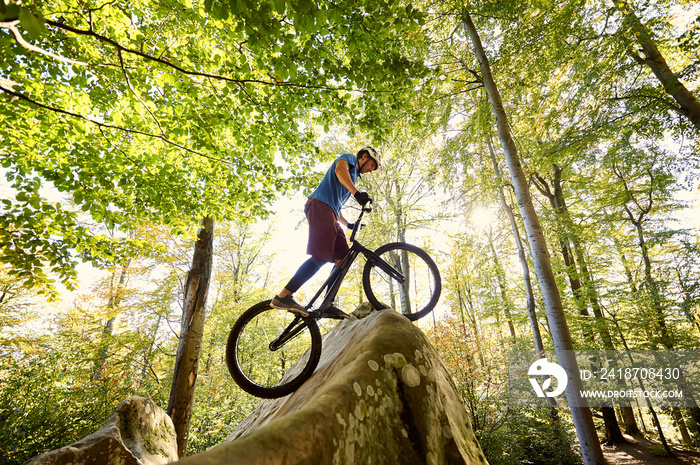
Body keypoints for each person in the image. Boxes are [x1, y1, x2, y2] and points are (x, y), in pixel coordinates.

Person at [270, 146, 381, 319]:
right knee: (321, 256)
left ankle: (328, 304)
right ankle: (283, 296)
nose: (372, 170)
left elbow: (337, 204)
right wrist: (357, 194)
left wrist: (348, 224)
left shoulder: (353, 179)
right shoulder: (350, 159)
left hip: (331, 212)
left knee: (343, 259)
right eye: (372, 165)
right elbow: (339, 170)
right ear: (364, 156)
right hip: (319, 205)